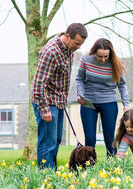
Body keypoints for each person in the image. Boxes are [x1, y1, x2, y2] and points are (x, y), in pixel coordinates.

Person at [31, 23, 88, 170]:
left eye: (81, 44)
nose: (79, 47)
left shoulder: (68, 49)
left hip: (58, 101)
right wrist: (44, 109)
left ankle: (52, 171)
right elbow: (38, 84)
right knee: (47, 142)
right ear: (67, 36)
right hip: (46, 100)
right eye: (77, 43)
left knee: (56, 140)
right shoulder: (51, 52)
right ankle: (45, 177)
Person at [76, 38, 129, 156]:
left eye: (106, 56)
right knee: (90, 139)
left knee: (110, 138)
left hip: (109, 102)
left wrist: (126, 105)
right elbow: (79, 79)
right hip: (88, 102)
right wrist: (81, 95)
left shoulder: (117, 63)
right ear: (94, 52)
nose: (103, 59)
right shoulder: (86, 59)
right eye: (100, 56)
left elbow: (122, 85)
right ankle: (89, 167)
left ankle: (112, 166)